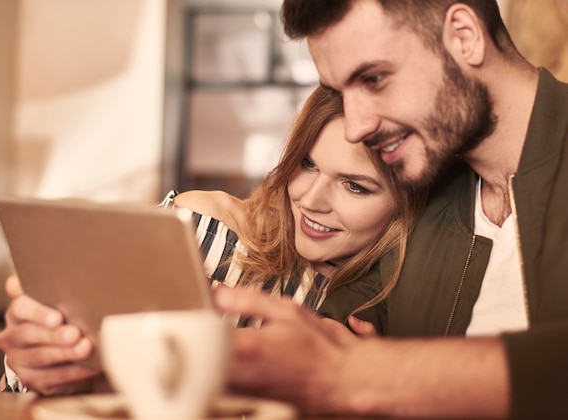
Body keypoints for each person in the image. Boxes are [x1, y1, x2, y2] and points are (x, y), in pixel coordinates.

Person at [210, 0, 568, 418]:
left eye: (374, 79)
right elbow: (342, 322)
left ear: (464, 37)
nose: (357, 125)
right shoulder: (416, 196)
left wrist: (368, 373)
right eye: (343, 92)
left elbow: (351, 369)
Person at [0, 86, 426, 395]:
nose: (311, 200)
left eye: (354, 186)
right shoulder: (203, 227)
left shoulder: (379, 307)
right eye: (307, 165)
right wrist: (41, 350)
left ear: (405, 204)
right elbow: (27, 379)